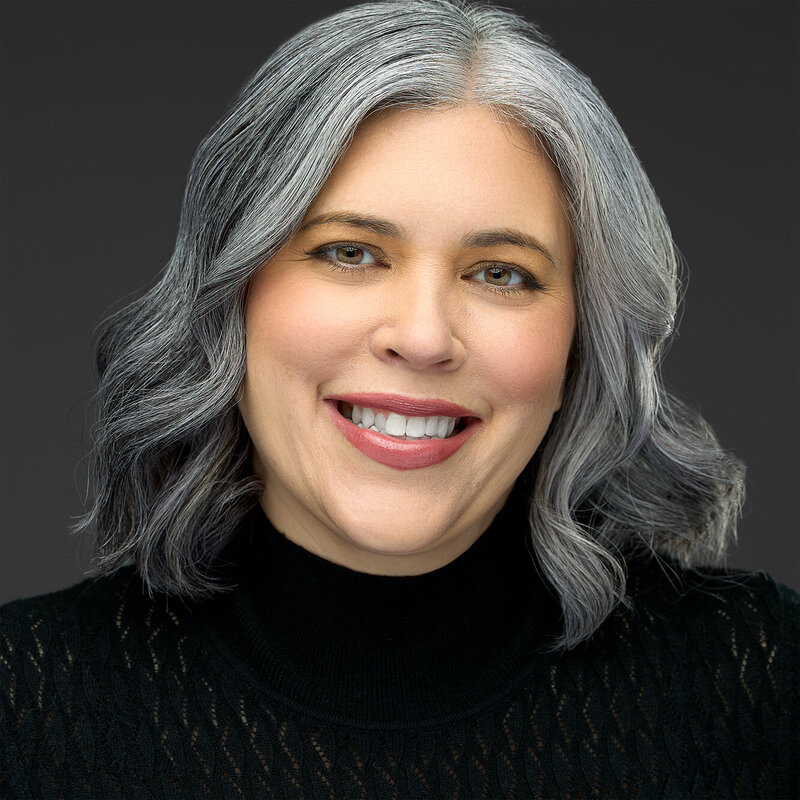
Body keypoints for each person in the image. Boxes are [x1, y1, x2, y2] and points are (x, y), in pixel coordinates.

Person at [1, 0, 797, 797]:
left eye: (500, 273)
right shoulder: (24, 707)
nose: (423, 337)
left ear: (582, 341)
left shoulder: (764, 689)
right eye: (350, 252)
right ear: (229, 298)